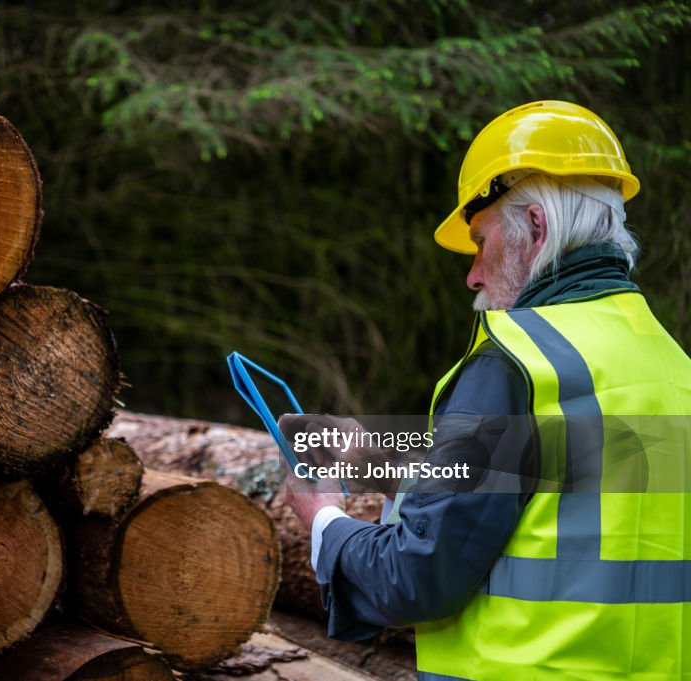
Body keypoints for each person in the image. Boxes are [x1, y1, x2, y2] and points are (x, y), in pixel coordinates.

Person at [280, 101, 691, 680]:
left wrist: (325, 523)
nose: (473, 273)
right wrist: (384, 460)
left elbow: (416, 577)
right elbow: (567, 494)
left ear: (536, 229)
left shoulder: (517, 361)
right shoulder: (671, 363)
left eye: (480, 240)